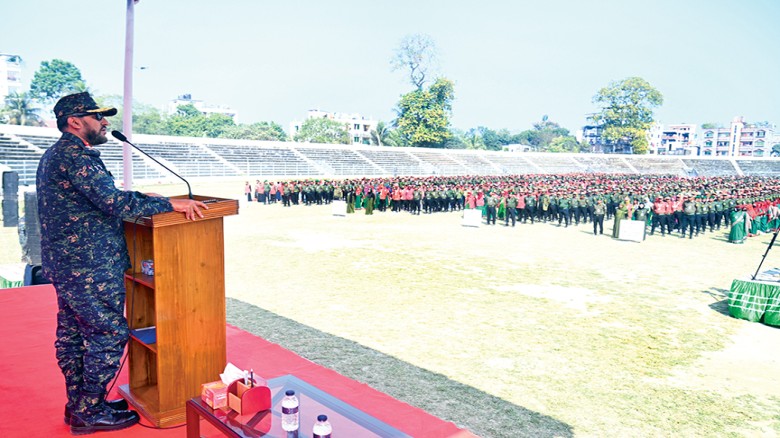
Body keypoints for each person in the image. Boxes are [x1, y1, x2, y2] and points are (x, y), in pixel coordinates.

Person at [36, 92, 207, 435]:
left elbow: (95, 200)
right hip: (90, 267)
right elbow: (113, 202)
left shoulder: (57, 155)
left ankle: (81, 405)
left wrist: (145, 198)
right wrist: (167, 204)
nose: (104, 123)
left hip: (67, 265)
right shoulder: (77, 156)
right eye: (97, 117)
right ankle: (89, 411)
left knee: (72, 335)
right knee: (109, 333)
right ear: (75, 121)